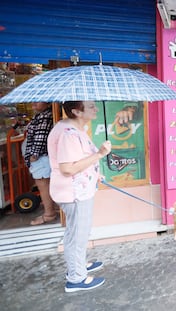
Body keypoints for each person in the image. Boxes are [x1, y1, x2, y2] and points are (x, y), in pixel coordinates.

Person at [47, 100, 111, 292]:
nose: (96, 109)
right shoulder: (68, 134)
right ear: (76, 111)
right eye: (90, 106)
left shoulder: (73, 128)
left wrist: (94, 172)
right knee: (77, 235)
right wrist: (100, 154)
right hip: (74, 193)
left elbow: (78, 160)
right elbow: (67, 168)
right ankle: (76, 278)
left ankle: (78, 265)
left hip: (78, 190)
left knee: (76, 232)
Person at [23, 102, 57, 225]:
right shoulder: (43, 115)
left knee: (43, 185)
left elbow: (41, 137)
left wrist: (34, 155)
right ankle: (51, 210)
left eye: (38, 101)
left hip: (41, 157)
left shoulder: (45, 116)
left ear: (47, 103)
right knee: (45, 185)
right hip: (42, 157)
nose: (33, 103)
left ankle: (49, 214)